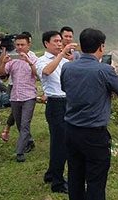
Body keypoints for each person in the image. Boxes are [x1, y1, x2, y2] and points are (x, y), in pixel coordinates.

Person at [61, 28, 118, 200]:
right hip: (94, 134)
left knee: (75, 176)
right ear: (101, 47)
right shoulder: (104, 70)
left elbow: (65, 88)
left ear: (81, 46)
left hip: (71, 130)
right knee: (96, 181)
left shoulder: (67, 68)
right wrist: (113, 71)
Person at [36, 31, 77, 193]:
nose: (59, 44)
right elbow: (46, 72)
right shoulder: (42, 60)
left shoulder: (63, 60)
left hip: (67, 102)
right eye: (56, 41)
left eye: (61, 41)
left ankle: (51, 174)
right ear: (46, 43)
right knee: (61, 145)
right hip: (55, 104)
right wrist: (61, 55)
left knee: (58, 144)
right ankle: (58, 183)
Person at [0, 34, 38, 162]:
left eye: (22, 45)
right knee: (20, 124)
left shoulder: (33, 58)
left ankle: (19, 152)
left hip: (29, 96)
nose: (20, 47)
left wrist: (29, 62)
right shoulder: (12, 58)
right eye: (18, 45)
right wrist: (3, 63)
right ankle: (29, 141)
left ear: (28, 45)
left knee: (25, 123)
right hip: (15, 96)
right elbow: (2, 74)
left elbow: (37, 75)